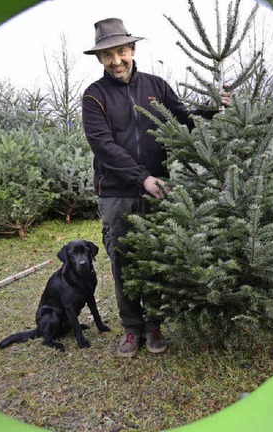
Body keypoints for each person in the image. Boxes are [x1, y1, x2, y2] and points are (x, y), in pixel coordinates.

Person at [81, 17, 230, 358]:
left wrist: (216, 108)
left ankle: (155, 324)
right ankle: (132, 328)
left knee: (158, 256)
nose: (116, 61)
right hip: (117, 193)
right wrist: (141, 177)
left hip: (157, 188)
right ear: (100, 59)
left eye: (121, 52)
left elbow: (184, 118)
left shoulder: (156, 86)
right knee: (124, 259)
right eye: (108, 56)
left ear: (132, 49)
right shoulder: (95, 96)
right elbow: (103, 145)